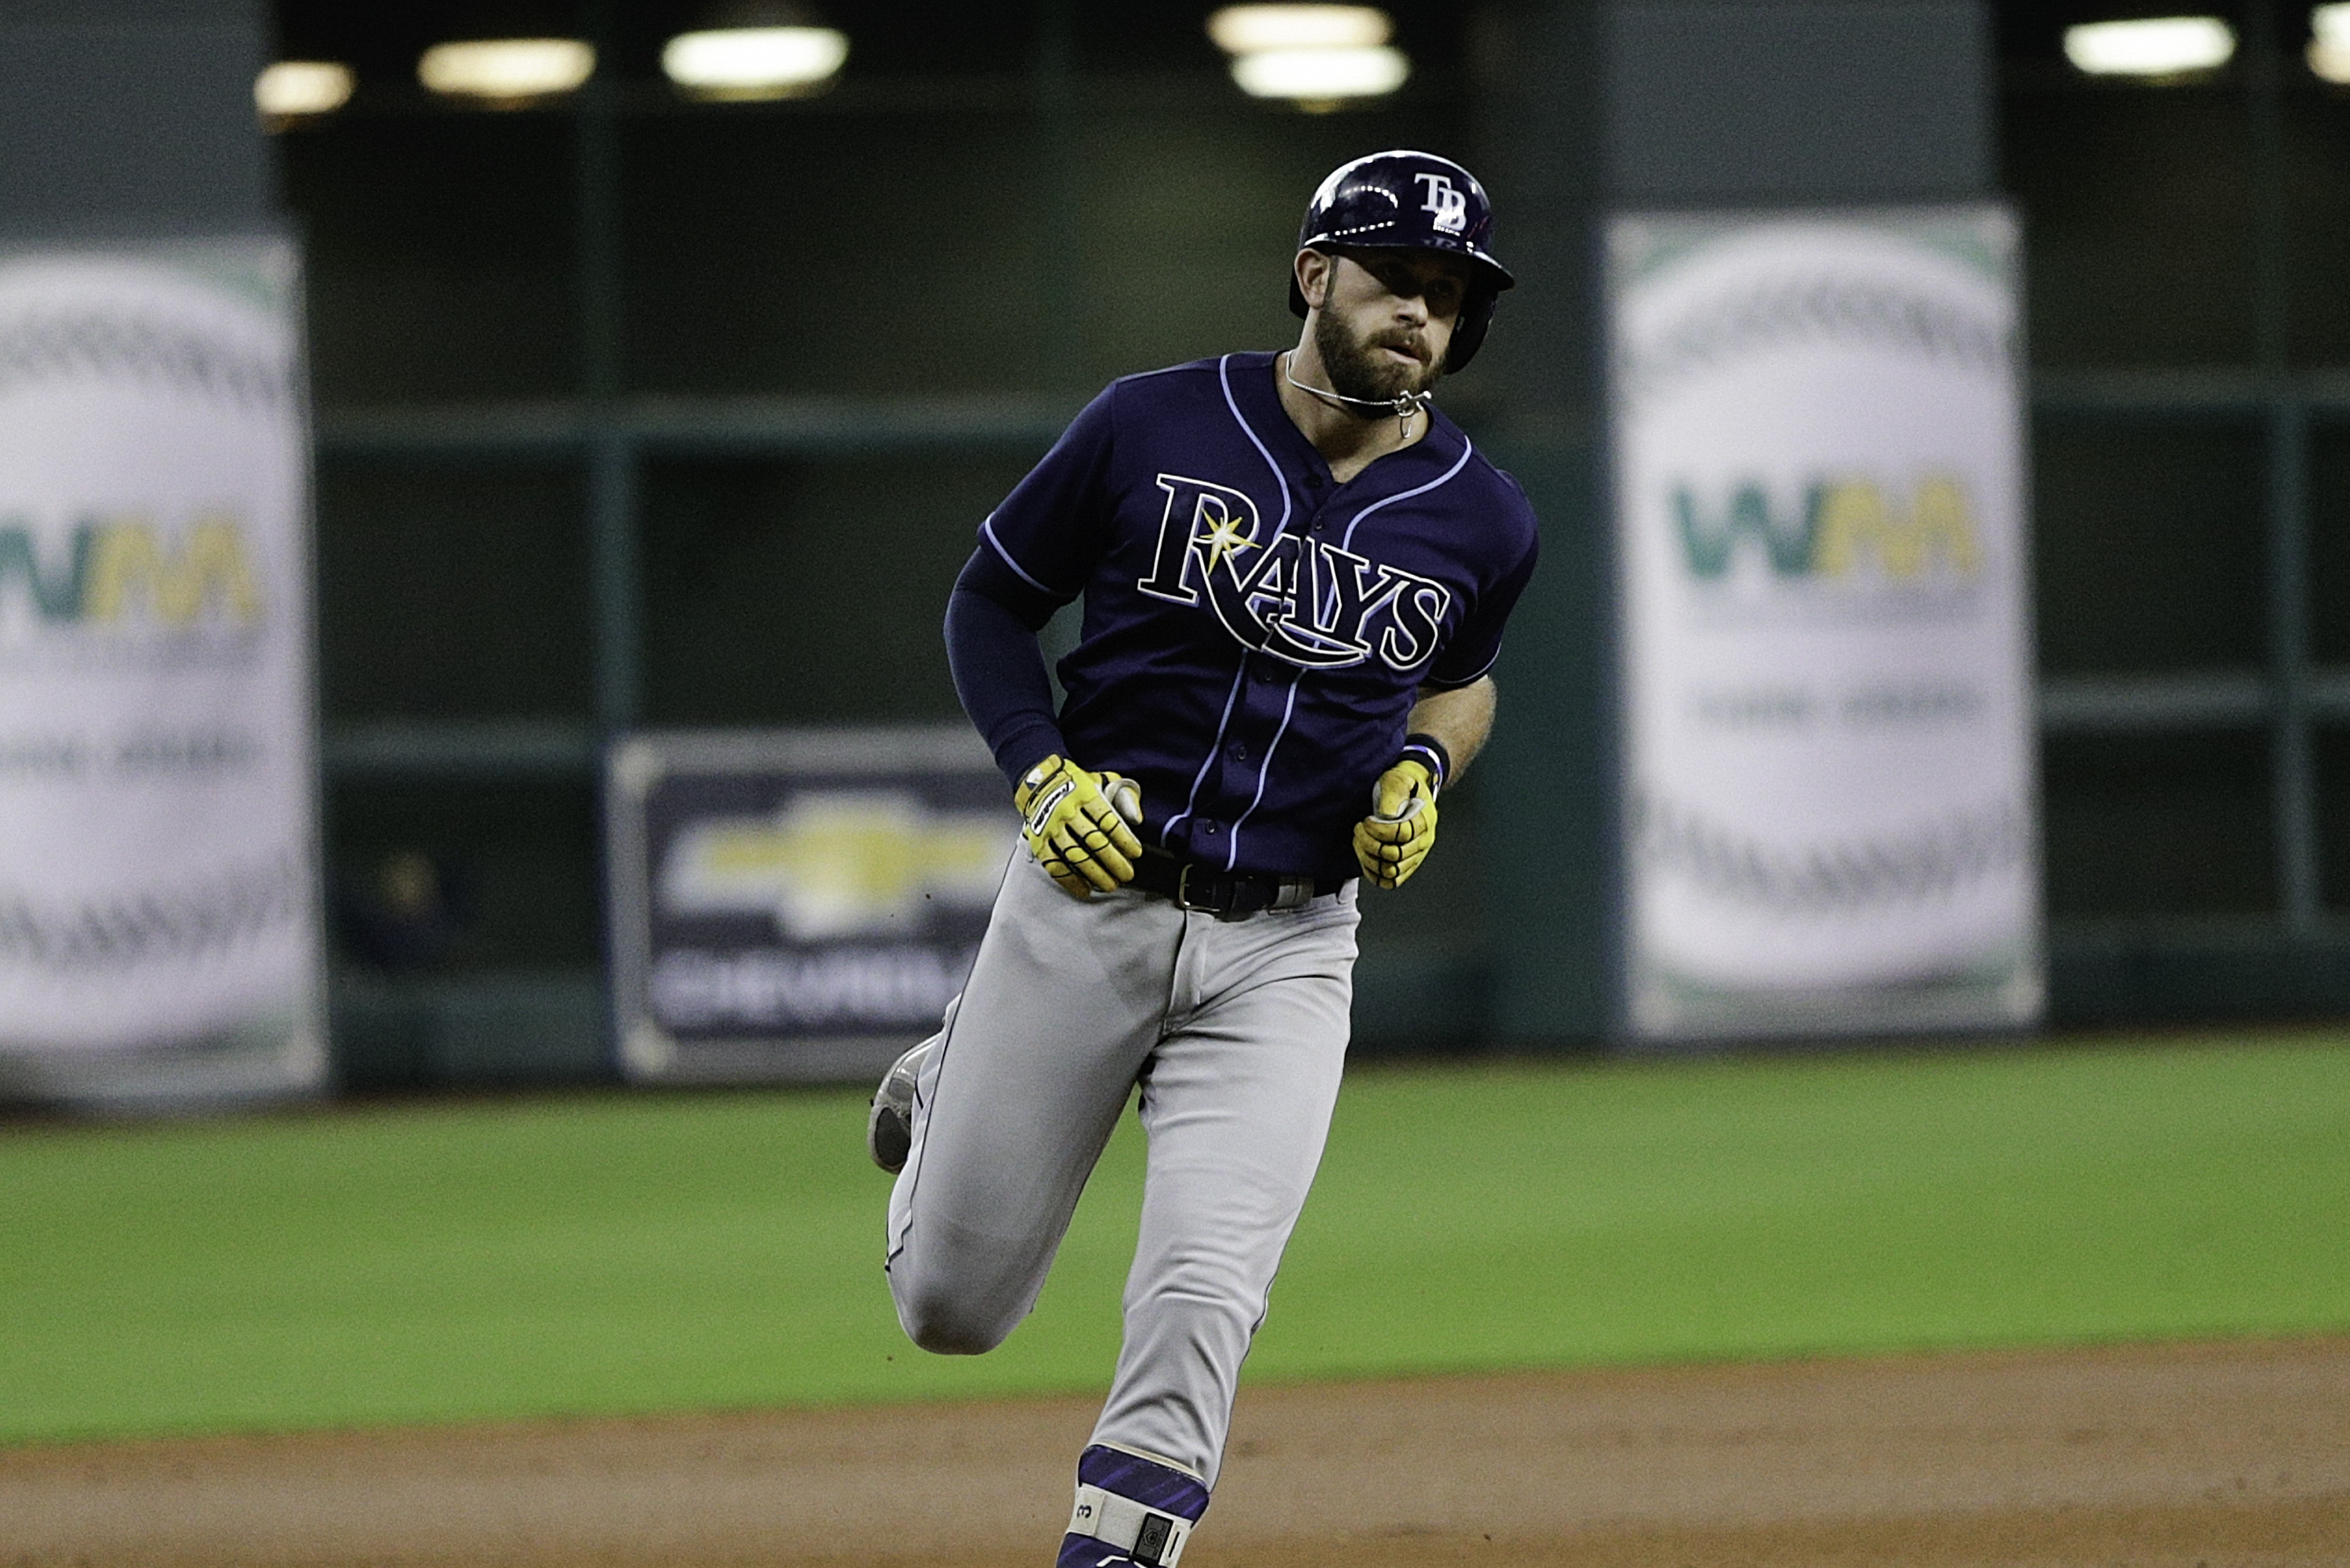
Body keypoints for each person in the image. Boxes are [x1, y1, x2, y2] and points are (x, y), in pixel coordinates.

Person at [869, 149, 1538, 1568]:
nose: (1423, 314)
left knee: (1205, 1283)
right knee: (951, 1307)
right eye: (1395, 280)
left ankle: (1119, 1549)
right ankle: (950, 1079)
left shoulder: (1486, 516)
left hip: (1289, 943)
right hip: (1091, 899)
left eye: (1451, 296)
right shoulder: (1151, 424)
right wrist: (1036, 770)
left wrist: (1423, 766)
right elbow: (991, 600)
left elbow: (1461, 683)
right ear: (1315, 276)